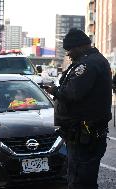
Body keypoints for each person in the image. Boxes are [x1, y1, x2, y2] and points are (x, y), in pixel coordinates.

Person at [45, 28, 111, 189]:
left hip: (85, 135)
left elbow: (73, 93)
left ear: (80, 47)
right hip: (82, 134)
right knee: (79, 178)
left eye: (70, 50)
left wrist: (54, 90)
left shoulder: (88, 64)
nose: (68, 54)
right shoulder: (90, 61)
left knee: (80, 181)